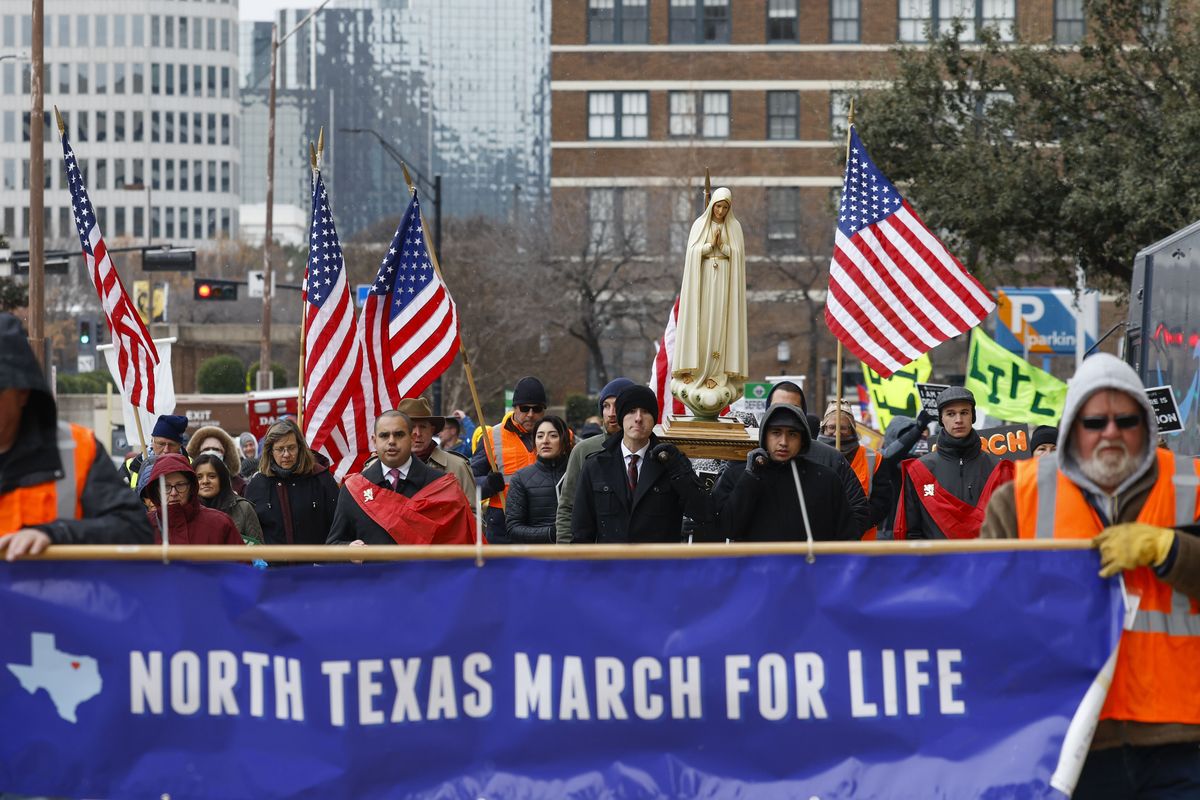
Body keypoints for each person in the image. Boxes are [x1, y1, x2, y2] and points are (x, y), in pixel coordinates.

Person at [982, 353, 1200, 797]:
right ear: (1072, 429)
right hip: (1069, 742)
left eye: (1126, 420)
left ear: (1146, 423)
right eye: (1095, 423)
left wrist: (1169, 548)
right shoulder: (1017, 499)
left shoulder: (1192, 486)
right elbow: (986, 615)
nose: (1112, 433)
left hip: (1183, 739)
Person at [0, 312, 152, 559]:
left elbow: (134, 530)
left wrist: (57, 535)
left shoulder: (77, 450)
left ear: (23, 393)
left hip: (54, 595)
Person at [721, 381, 871, 535]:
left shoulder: (829, 465)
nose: (783, 442)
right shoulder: (743, 462)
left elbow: (854, 516)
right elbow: (723, 523)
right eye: (776, 432)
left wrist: (826, 551)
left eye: (792, 433)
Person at [572, 385, 711, 543]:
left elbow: (703, 512)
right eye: (631, 411)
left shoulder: (671, 463)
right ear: (621, 417)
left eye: (645, 412)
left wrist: (678, 468)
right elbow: (582, 532)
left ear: (654, 419)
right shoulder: (595, 466)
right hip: (611, 565)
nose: (638, 418)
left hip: (657, 565)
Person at [327, 411, 473, 546]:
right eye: (384, 435)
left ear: (412, 438)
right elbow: (333, 544)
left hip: (426, 574)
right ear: (374, 440)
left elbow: (462, 544)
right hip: (374, 574)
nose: (391, 441)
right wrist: (349, 550)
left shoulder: (442, 486)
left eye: (399, 435)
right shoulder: (354, 488)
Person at [894, 387, 1013, 540]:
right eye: (951, 414)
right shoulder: (920, 470)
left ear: (973, 416)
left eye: (964, 412)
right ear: (941, 419)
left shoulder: (998, 469)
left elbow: (1009, 529)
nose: (958, 420)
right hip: (937, 562)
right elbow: (911, 532)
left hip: (987, 561)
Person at [670, 187, 748, 418]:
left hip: (724, 282)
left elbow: (738, 256)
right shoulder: (699, 225)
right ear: (711, 204)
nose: (721, 211)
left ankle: (717, 374)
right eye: (718, 206)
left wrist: (722, 247)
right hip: (704, 283)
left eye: (725, 207)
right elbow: (691, 254)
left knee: (720, 327)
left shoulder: (734, 228)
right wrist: (708, 247)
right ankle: (698, 372)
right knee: (703, 326)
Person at [555, 377, 635, 544]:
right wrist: (564, 553)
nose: (612, 413)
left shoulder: (652, 451)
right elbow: (567, 507)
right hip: (596, 555)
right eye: (606, 406)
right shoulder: (584, 451)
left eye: (618, 405)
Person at [471, 376, 548, 543]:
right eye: (524, 408)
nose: (530, 414)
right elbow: (468, 483)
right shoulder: (492, 436)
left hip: (545, 523)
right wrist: (488, 484)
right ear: (515, 408)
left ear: (544, 410)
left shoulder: (561, 437)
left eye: (537, 409)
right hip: (502, 525)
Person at [245, 419, 338, 545]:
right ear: (270, 451)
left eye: (291, 448)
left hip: (316, 561)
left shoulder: (321, 479)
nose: (286, 454)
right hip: (274, 563)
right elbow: (251, 534)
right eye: (280, 449)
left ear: (300, 447)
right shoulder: (257, 485)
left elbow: (338, 527)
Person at [818, 401, 892, 540]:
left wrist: (856, 524)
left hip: (862, 542)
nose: (836, 433)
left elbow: (882, 501)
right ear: (823, 428)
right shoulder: (812, 455)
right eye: (831, 427)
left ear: (852, 429)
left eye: (843, 428)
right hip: (822, 542)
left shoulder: (874, 458)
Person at [138, 453, 243, 546]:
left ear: (191, 487)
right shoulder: (141, 527)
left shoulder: (220, 524)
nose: (173, 493)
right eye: (166, 487)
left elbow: (242, 566)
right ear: (156, 491)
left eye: (180, 485)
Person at [505, 415, 572, 544]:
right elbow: (513, 528)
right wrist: (550, 533)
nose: (545, 441)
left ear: (564, 440)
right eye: (540, 436)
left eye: (553, 435)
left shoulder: (577, 472)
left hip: (576, 554)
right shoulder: (521, 478)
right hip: (538, 557)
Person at [397, 397, 476, 500]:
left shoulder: (457, 466)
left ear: (432, 430)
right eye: (411, 427)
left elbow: (473, 513)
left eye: (423, 427)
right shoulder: (383, 468)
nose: (418, 433)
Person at [193, 453, 263, 545]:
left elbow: (258, 551)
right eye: (199, 477)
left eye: (212, 476)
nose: (205, 481)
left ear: (222, 479)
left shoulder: (243, 508)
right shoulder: (187, 510)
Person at [119, 413, 189, 490]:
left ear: (179, 445)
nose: (166, 450)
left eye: (171, 445)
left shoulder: (191, 465)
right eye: (161, 444)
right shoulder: (130, 467)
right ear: (152, 441)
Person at [186, 425, 247, 495]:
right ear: (199, 453)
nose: (211, 451)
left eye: (216, 449)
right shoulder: (190, 481)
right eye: (206, 449)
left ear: (224, 454)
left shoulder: (238, 484)